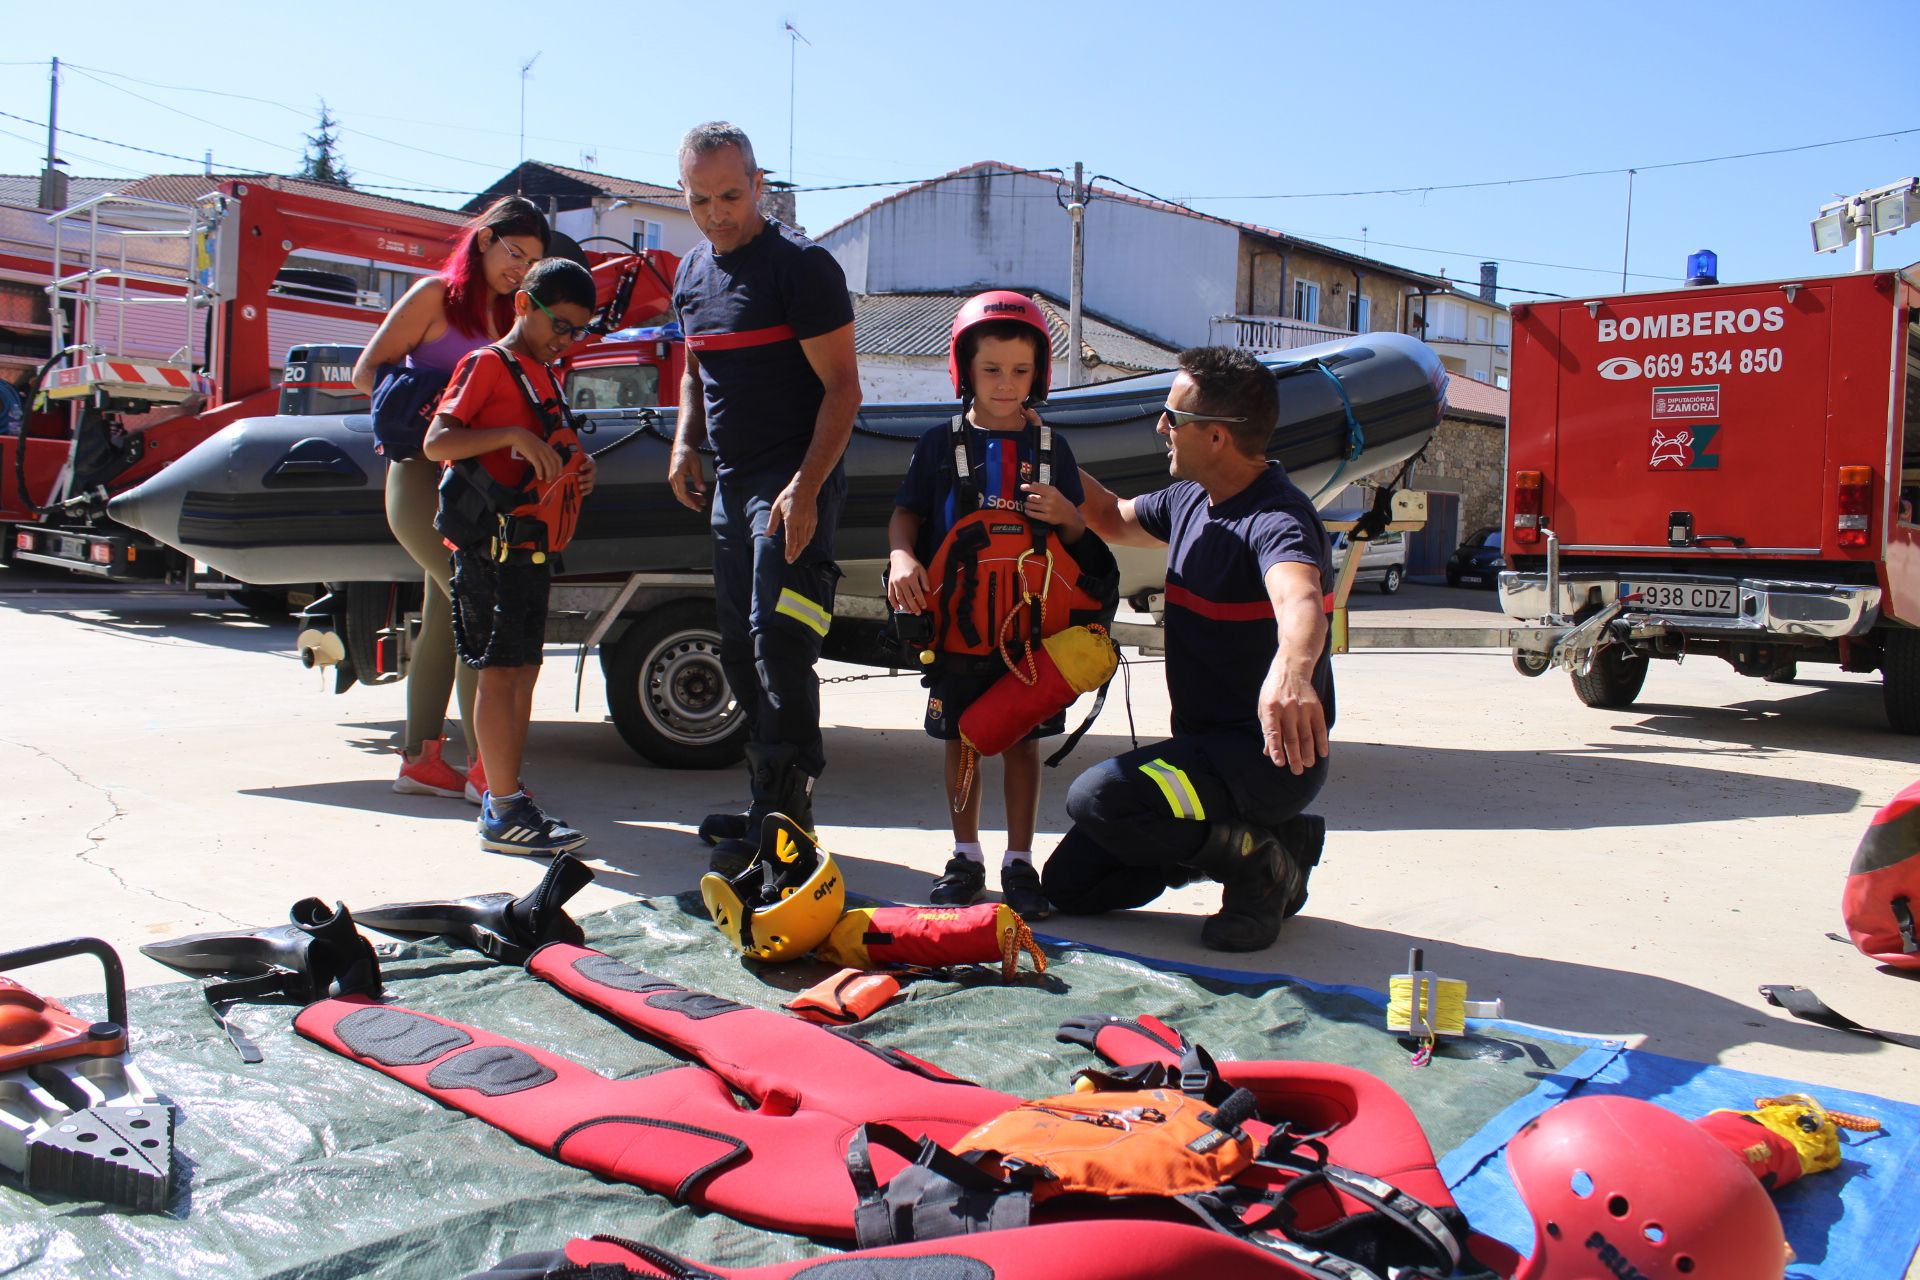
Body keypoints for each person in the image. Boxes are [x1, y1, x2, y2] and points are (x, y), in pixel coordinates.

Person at [1040, 346, 1332, 951]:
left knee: (1098, 798)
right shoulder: (1190, 500)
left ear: (1217, 436)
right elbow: (1109, 516)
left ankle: (1259, 864)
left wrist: (1293, 670)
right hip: (1201, 753)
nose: (1161, 427)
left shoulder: (1276, 518)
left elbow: (1299, 599)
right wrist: (1039, 445)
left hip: (1262, 761)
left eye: (1173, 416)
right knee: (1072, 885)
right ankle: (1278, 840)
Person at [666, 122, 861, 876]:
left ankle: (792, 831)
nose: (717, 212)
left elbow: (844, 389)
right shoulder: (690, 274)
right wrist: (687, 443)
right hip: (733, 483)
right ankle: (766, 806)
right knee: (742, 652)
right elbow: (695, 368)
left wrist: (806, 488)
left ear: (759, 186)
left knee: (780, 646)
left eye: (731, 195)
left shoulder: (801, 269)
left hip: (796, 477)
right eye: (700, 198)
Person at [887, 292, 1087, 920]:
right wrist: (901, 558)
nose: (1006, 384)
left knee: (1023, 741)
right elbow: (906, 515)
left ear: (1041, 373)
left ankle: (1020, 862)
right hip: (958, 627)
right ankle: (966, 855)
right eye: (991, 370)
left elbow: (1080, 540)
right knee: (965, 741)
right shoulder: (936, 443)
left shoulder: (1055, 449)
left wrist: (1068, 516)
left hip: (1031, 630)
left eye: (1021, 371)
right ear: (964, 370)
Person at [353, 197, 550, 804]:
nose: (520, 269)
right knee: (480, 613)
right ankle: (487, 772)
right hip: (418, 477)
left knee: (446, 618)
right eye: (514, 253)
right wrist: (451, 399)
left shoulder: (509, 314)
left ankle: (421, 760)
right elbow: (367, 373)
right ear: (485, 240)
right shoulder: (434, 296)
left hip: (476, 488)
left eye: (534, 262)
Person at [422, 257, 599, 857]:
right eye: (561, 325)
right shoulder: (487, 365)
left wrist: (578, 470)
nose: (566, 340)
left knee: (524, 670)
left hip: (530, 548)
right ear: (523, 304)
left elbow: (549, 443)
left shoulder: (545, 373)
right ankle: (498, 807)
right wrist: (511, 437)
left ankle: (511, 797)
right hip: (489, 549)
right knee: (498, 673)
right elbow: (437, 441)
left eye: (578, 331)